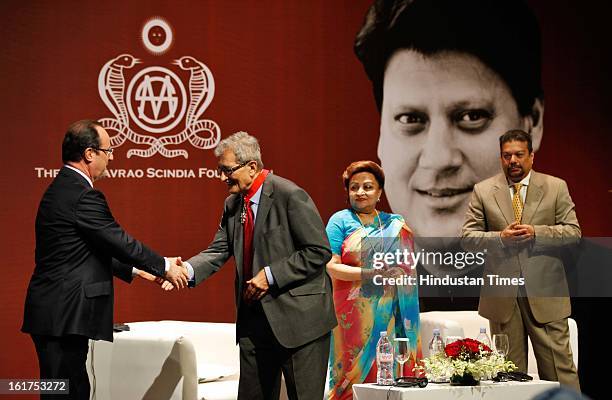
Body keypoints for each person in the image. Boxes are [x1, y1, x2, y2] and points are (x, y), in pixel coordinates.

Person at [353, 0, 544, 299]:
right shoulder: (349, 283)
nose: (439, 159)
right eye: (410, 119)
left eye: (472, 117)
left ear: (532, 123)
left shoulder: (589, 282)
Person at [22, 119, 189, 400]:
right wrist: (165, 267)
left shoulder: (63, 188)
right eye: (108, 151)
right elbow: (119, 241)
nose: (111, 158)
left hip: (56, 313)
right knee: (66, 392)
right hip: (63, 315)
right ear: (89, 154)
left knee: (69, 389)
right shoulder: (82, 194)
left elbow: (84, 249)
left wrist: (139, 271)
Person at [182, 131, 337, 400]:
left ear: (251, 167)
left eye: (226, 170)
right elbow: (219, 249)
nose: (221, 177)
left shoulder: (290, 195)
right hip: (255, 324)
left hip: (300, 323)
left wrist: (270, 275)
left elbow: (318, 250)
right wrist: (186, 271)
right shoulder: (233, 203)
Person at [461, 129, 580, 391]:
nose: (512, 160)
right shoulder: (484, 191)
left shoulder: (555, 187)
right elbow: (468, 238)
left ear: (531, 156)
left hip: (546, 292)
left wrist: (537, 232)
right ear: (500, 158)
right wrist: (500, 238)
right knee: (508, 377)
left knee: (559, 371)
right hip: (502, 294)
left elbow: (573, 233)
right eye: (506, 156)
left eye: (519, 155)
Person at [325, 161, 421, 399]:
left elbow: (408, 267)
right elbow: (331, 266)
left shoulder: (395, 223)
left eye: (368, 187)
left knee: (388, 367)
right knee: (351, 372)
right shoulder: (340, 221)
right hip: (352, 312)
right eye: (354, 187)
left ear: (379, 192)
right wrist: (370, 274)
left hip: (389, 310)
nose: (360, 192)